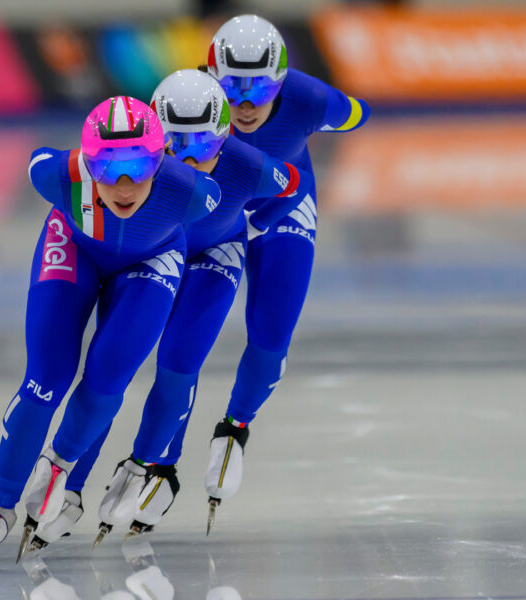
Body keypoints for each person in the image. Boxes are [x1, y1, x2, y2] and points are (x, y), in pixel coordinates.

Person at [26, 69, 315, 551]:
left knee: (179, 362)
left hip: (213, 256)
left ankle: (148, 467)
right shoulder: (137, 171)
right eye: (176, 143)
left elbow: (294, 187)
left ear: (224, 137)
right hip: (154, 256)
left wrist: (255, 225)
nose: (189, 158)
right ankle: (71, 485)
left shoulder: (247, 165)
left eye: (204, 144)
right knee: (109, 370)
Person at [0, 96, 221, 566]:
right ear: (87, 163)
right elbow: (40, 158)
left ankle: (58, 464)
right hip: (74, 248)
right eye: (107, 167)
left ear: (160, 162)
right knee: (46, 380)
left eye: (139, 168)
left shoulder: (190, 192)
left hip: (150, 262)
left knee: (108, 375)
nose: (123, 185)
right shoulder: (56, 175)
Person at [195, 14, 369, 529]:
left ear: (283, 81)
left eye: (262, 89)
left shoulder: (309, 98)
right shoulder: (190, 101)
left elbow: (355, 113)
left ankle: (235, 428)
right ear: (211, 78)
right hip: (217, 214)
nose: (246, 104)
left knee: (271, 341)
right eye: (233, 89)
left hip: (282, 209)